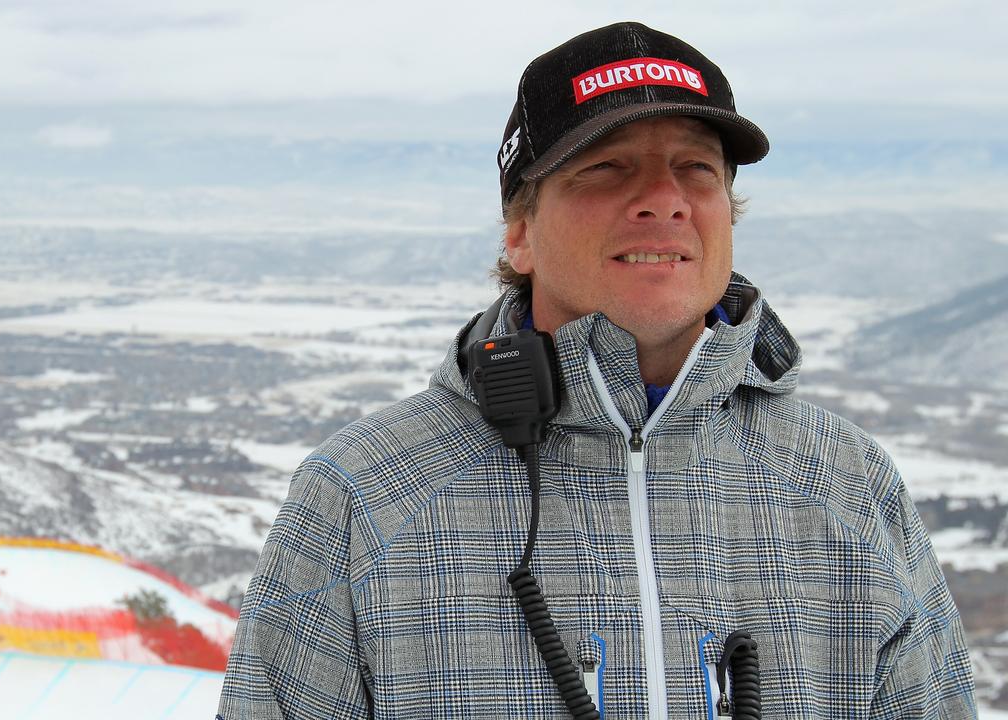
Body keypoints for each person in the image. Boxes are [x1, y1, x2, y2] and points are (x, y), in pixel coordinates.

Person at [217, 22, 977, 719]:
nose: (663, 199)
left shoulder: (846, 482)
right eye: (607, 168)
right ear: (519, 232)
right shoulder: (365, 494)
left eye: (696, 168)